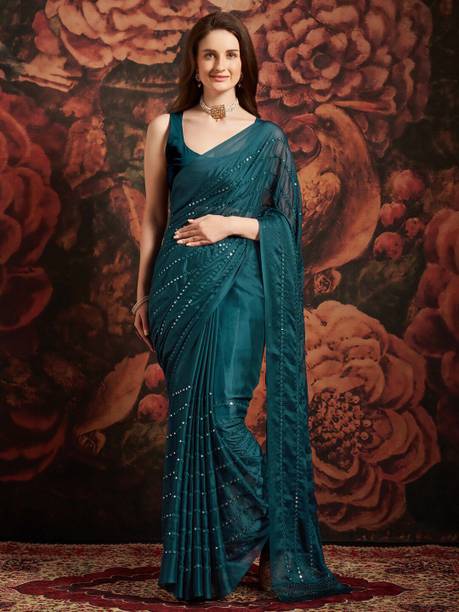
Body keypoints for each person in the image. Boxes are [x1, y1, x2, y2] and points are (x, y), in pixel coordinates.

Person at [132, 10, 352, 604]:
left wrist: (230, 224)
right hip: (176, 291)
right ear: (194, 64)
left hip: (240, 290)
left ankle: (275, 524)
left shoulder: (267, 139)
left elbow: (286, 228)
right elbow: (153, 219)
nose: (220, 65)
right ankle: (204, 562)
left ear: (244, 64)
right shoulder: (165, 128)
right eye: (209, 54)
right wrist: (141, 292)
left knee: (223, 415)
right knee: (189, 420)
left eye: (231, 55)